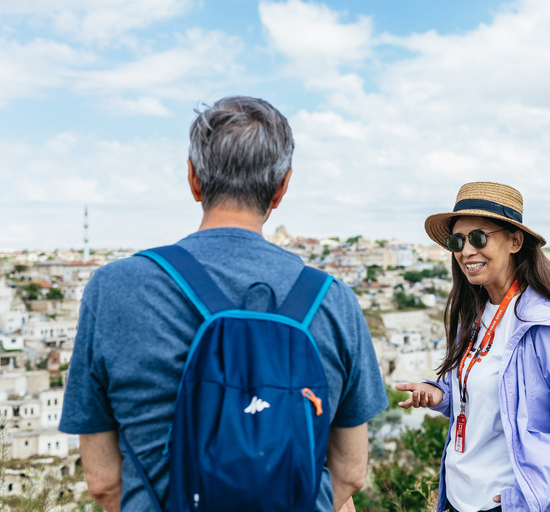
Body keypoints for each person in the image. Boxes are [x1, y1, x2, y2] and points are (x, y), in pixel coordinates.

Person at [59, 96, 388, 511]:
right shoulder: (333, 300)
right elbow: (351, 472)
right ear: (282, 187)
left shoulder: (113, 289)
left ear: (193, 179)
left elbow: (104, 482)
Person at [395, 182, 550, 512]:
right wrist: (440, 394)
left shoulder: (546, 328)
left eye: (478, 237)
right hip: (456, 499)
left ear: (515, 240)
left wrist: (537, 501)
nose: (466, 250)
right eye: (457, 241)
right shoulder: (473, 317)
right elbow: (488, 396)